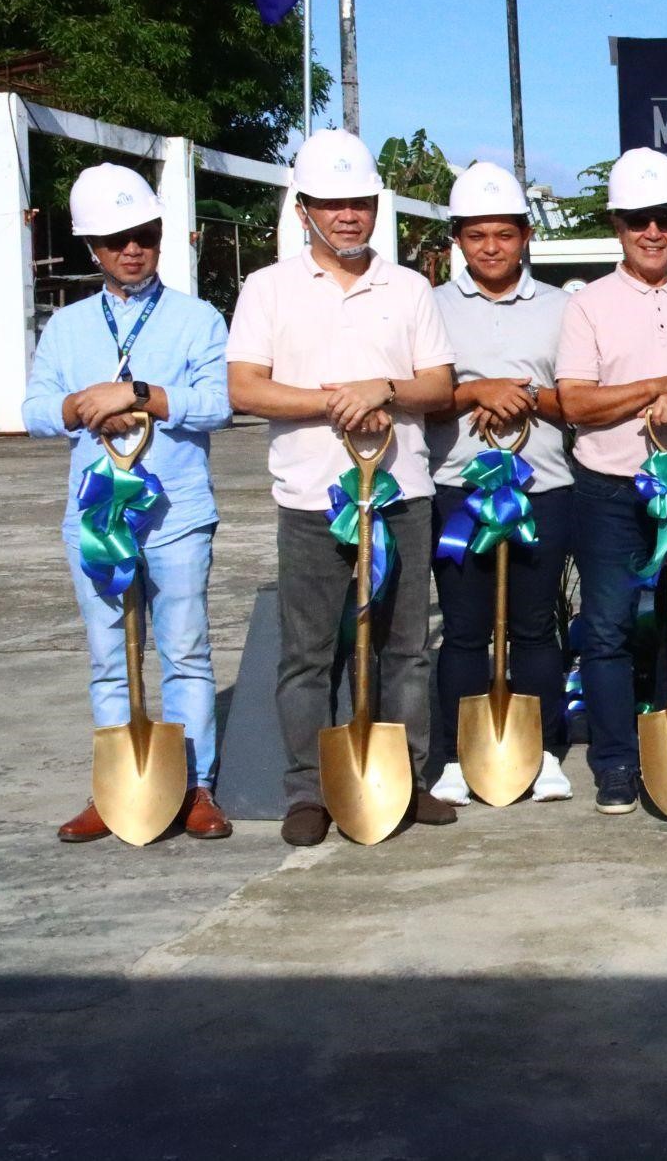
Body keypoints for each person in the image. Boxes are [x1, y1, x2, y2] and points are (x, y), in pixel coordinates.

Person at [226, 129, 459, 846]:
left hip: (400, 495)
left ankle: (407, 777)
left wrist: (382, 389)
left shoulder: (410, 287)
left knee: (404, 647)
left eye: (359, 203)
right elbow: (246, 387)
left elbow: (439, 385)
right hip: (309, 498)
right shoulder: (268, 289)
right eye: (333, 205)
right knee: (307, 653)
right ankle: (308, 789)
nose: (348, 216)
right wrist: (337, 401)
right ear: (305, 211)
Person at [24, 165, 234, 842]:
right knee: (109, 652)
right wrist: (82, 406)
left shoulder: (197, 318)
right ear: (93, 248)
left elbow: (219, 403)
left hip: (176, 514)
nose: (132, 249)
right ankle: (114, 788)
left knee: (185, 648)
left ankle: (196, 783)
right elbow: (32, 410)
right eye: (116, 240)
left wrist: (140, 395)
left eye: (144, 235)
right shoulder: (67, 326)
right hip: (98, 513)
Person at [556, 148, 667, 817]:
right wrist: (662, 387)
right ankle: (615, 762)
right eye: (639, 219)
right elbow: (577, 403)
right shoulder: (588, 307)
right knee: (605, 629)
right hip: (610, 489)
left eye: (665, 217)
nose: (653, 231)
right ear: (618, 224)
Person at [425, 162, 575, 806]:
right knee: (463, 629)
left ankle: (539, 753)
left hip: (541, 487)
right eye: (477, 234)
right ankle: (461, 754)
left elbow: (577, 400)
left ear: (525, 237)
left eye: (505, 234)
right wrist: (472, 393)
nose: (491, 247)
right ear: (458, 240)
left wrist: (522, 399)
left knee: (536, 628)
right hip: (458, 487)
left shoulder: (563, 308)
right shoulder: (427, 308)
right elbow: (421, 398)